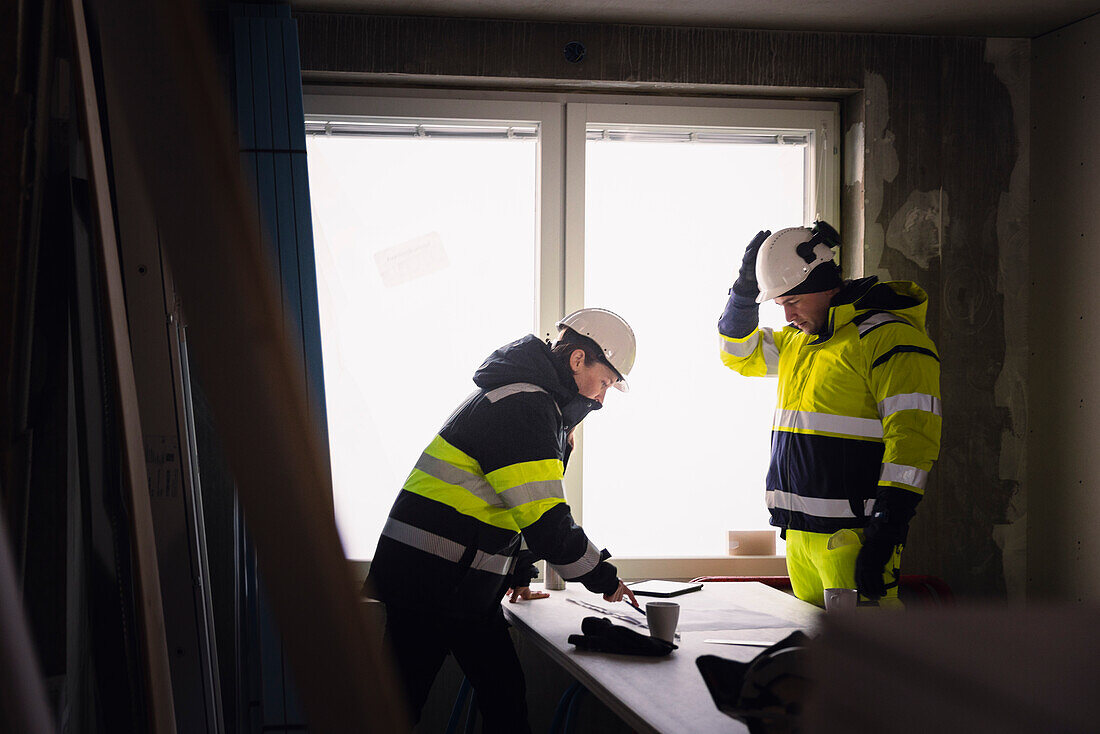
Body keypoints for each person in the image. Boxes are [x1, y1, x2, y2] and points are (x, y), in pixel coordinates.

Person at [365, 308, 640, 732]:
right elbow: (546, 519)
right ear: (578, 359)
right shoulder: (525, 405)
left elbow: (514, 506)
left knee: (500, 696)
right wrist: (603, 577)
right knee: (409, 705)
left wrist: (518, 572)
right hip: (434, 579)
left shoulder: (532, 402)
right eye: (604, 382)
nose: (602, 398)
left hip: (452, 579)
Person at [717, 223, 941, 609]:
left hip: (855, 538)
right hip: (801, 537)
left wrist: (887, 529)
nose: (787, 316)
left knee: (865, 661)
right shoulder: (800, 342)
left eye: (794, 302)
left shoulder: (890, 338)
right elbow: (739, 354)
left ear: (826, 286)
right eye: (779, 305)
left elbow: (913, 439)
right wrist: (742, 295)